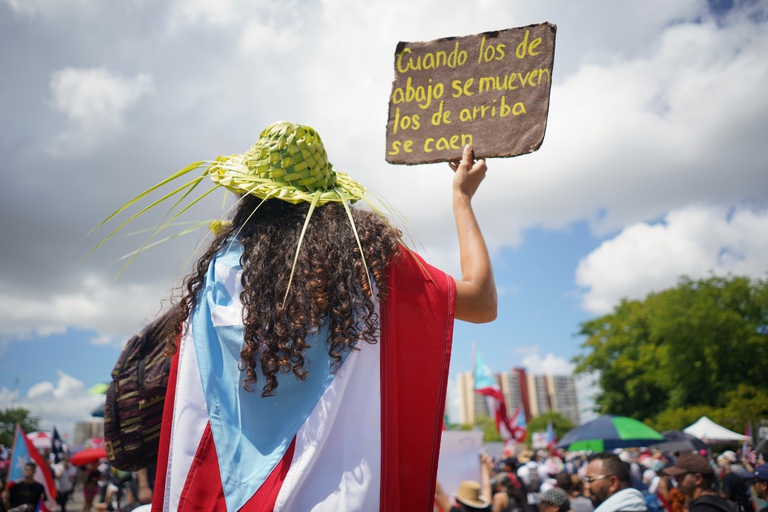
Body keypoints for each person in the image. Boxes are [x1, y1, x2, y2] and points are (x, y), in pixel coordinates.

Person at [118, 122, 497, 510]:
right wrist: (462, 198)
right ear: (329, 199)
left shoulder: (216, 274)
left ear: (248, 196)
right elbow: (481, 302)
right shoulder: (364, 264)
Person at [662, 452, 738, 512]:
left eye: (680, 476)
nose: (676, 480)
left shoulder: (702, 508)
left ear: (698, 479)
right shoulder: (722, 502)